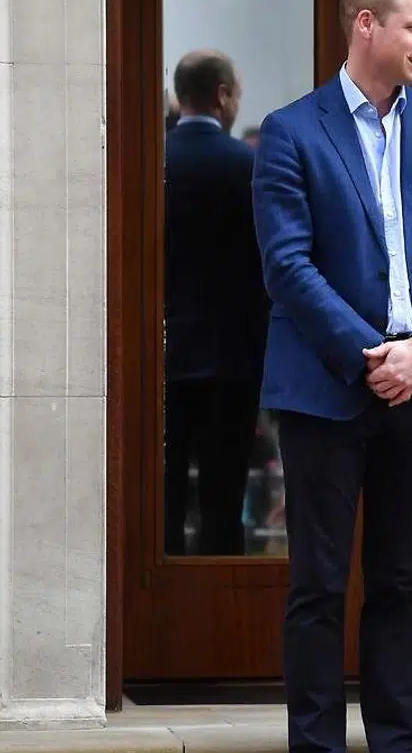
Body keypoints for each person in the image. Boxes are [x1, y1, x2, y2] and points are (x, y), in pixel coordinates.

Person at [250, 0, 412, 753]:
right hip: (324, 391)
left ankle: (395, 743)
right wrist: (370, 357)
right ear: (365, 25)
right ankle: (315, 746)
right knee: (317, 586)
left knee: (396, 582)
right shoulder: (290, 131)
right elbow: (287, 265)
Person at [161, 49, 269, 556]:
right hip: (233, 356)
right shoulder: (248, 166)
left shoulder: (152, 162)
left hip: (162, 354)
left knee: (161, 496)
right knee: (223, 498)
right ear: (223, 95)